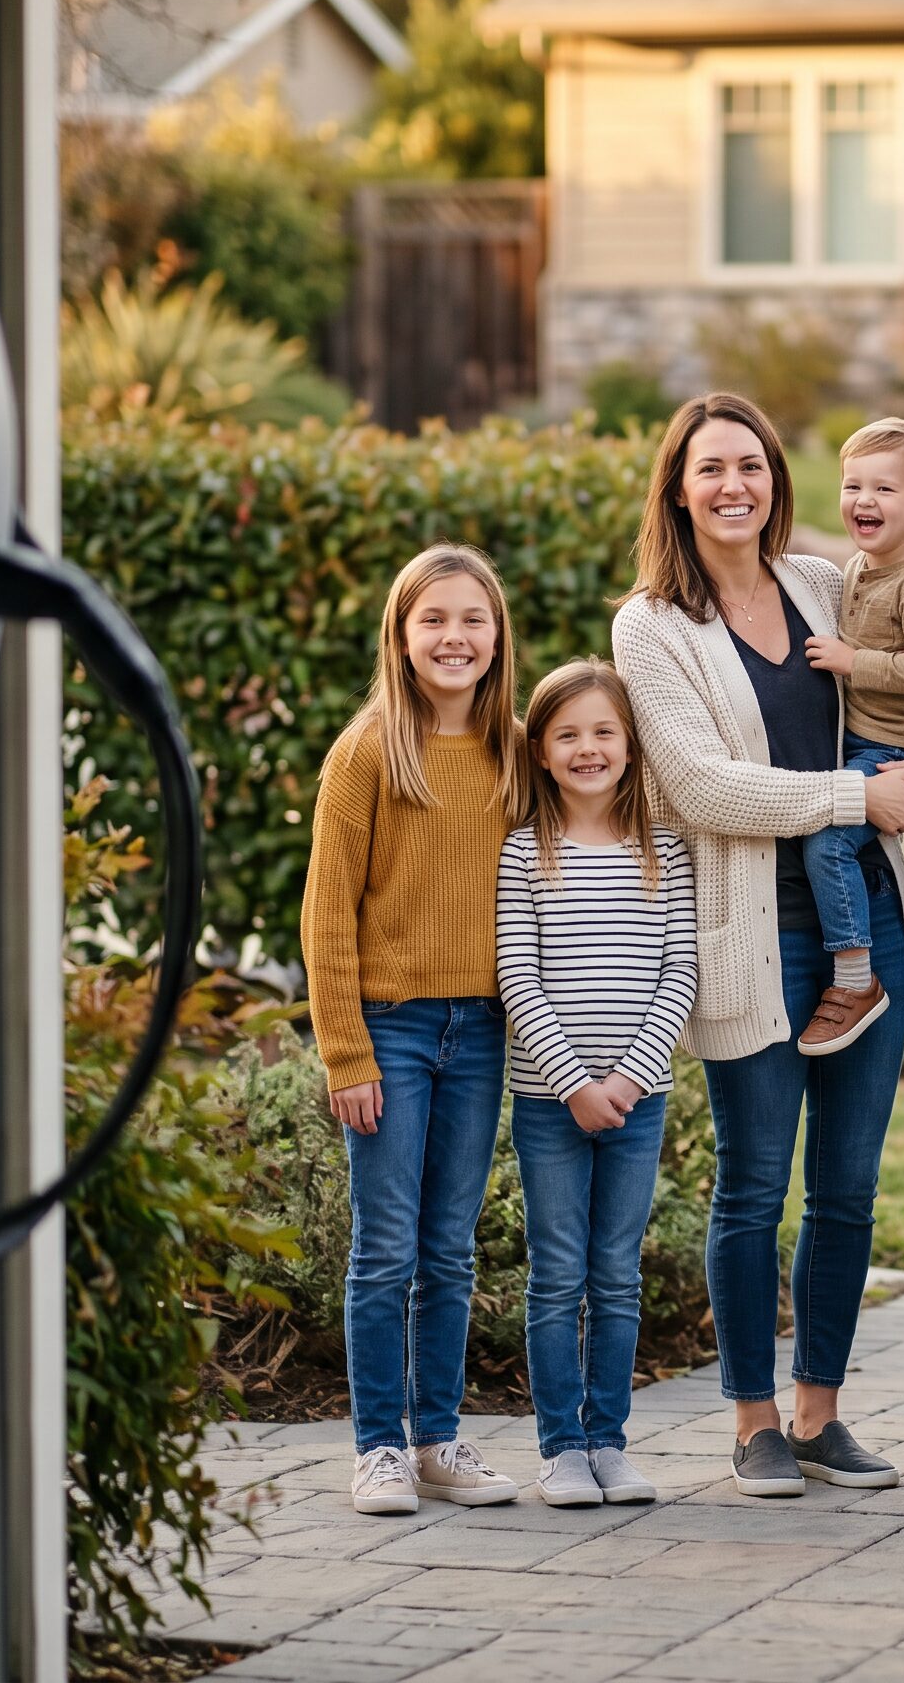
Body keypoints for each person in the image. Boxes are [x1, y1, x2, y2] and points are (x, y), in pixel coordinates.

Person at [610, 392, 904, 1497]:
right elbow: (705, 787)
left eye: (750, 466)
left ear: (774, 478)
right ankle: (752, 1416)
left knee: (849, 1191)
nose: (733, 487)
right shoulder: (650, 625)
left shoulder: (821, 581)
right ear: (677, 486)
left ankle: (820, 1412)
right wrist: (856, 795)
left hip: (870, 939)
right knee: (754, 1189)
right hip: (752, 941)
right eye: (710, 469)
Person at [300, 542, 531, 1516]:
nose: (454, 636)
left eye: (472, 619)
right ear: (401, 636)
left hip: (478, 1031)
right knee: (385, 1247)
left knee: (449, 1248)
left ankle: (437, 1436)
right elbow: (326, 914)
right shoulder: (367, 752)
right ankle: (377, 1448)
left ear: (496, 637)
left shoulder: (517, 752)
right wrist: (346, 1049)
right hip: (390, 1032)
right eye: (433, 619)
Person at [496, 658, 697, 1509]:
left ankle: (610, 1440)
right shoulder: (522, 851)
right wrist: (576, 1082)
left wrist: (630, 1078)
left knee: (616, 1273)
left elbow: (679, 971)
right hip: (548, 1102)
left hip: (638, 1101)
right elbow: (518, 974)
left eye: (603, 733)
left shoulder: (666, 852)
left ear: (630, 744)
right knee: (557, 1273)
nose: (588, 749)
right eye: (567, 735)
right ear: (540, 751)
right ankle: (561, 1449)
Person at [795, 417, 904, 1057]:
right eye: (852, 485)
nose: (864, 501)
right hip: (861, 746)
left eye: (884, 490)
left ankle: (855, 979)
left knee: (829, 841)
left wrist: (851, 661)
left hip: (897, 753)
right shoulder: (861, 565)